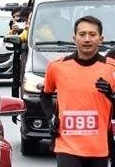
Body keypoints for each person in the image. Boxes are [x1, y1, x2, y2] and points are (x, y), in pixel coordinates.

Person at [41, 16, 115, 167]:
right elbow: (45, 94)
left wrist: (111, 95)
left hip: (99, 146)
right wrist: (51, 118)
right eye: (82, 34)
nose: (87, 39)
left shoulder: (112, 68)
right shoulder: (57, 66)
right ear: (74, 38)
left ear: (101, 39)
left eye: (92, 34)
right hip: (67, 145)